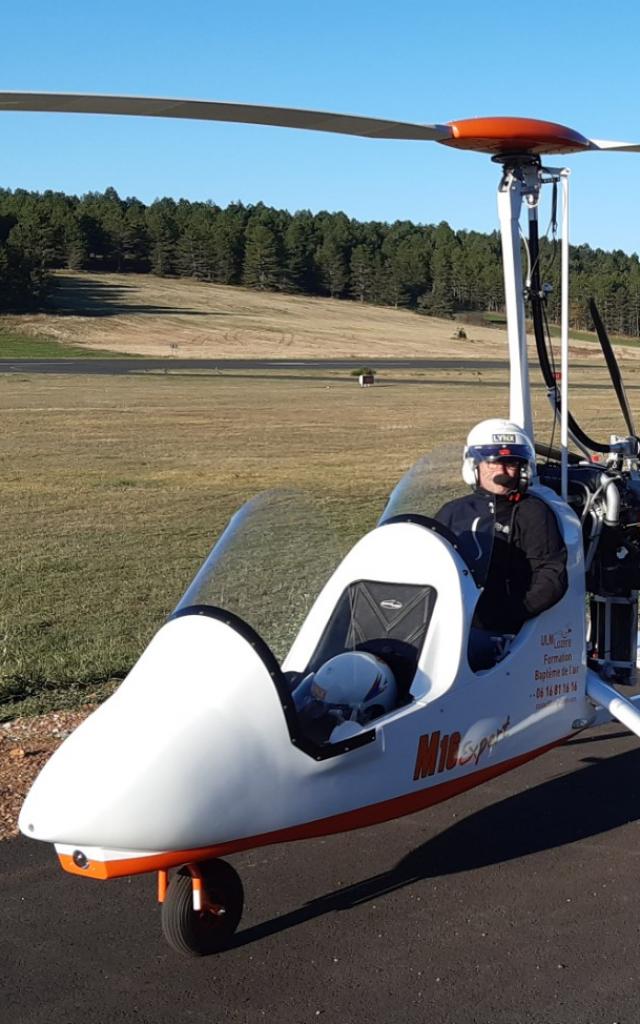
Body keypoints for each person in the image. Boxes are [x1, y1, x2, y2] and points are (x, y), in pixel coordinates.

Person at [435, 418, 568, 669]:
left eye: (511, 464)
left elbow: (551, 575)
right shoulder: (453, 511)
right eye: (494, 462)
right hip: (451, 623)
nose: (502, 472)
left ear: (523, 469)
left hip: (503, 632)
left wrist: (514, 613)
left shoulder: (533, 513)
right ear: (475, 466)